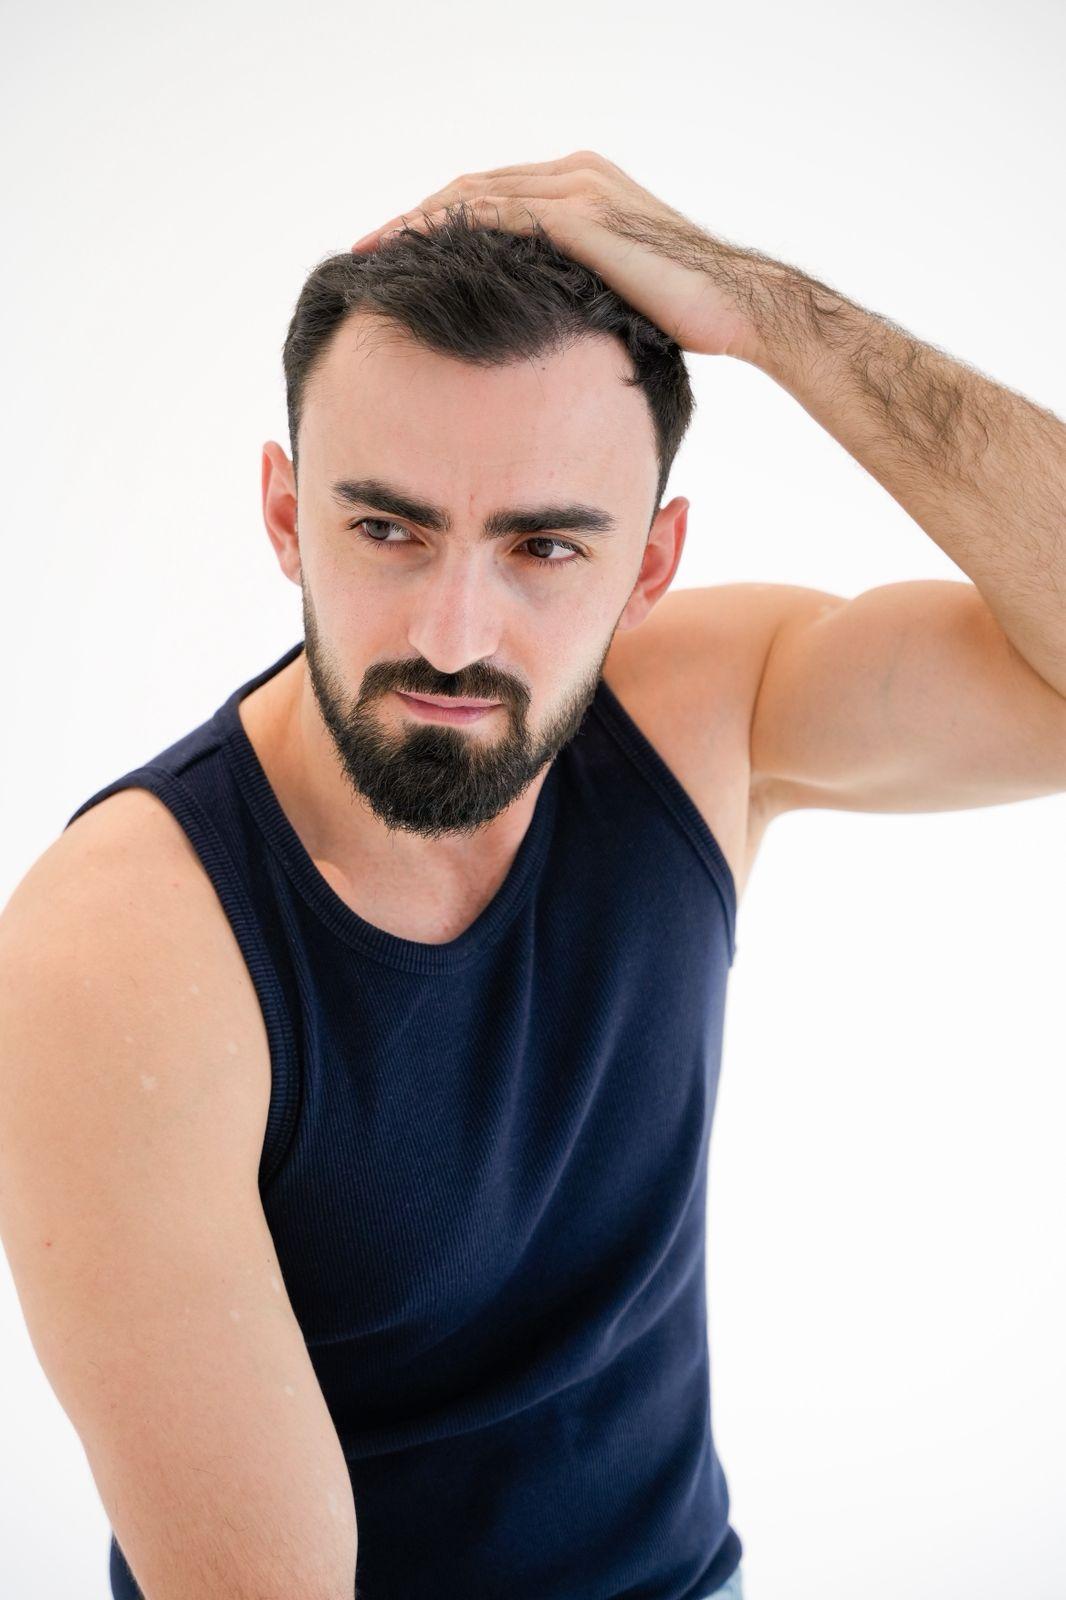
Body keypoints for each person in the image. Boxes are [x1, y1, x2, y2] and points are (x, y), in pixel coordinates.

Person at [2, 150, 1064, 1600]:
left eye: (545, 546)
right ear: (284, 515)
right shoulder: (120, 951)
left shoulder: (703, 712)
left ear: (651, 565)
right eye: (387, 528)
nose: (453, 636)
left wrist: (778, 315)